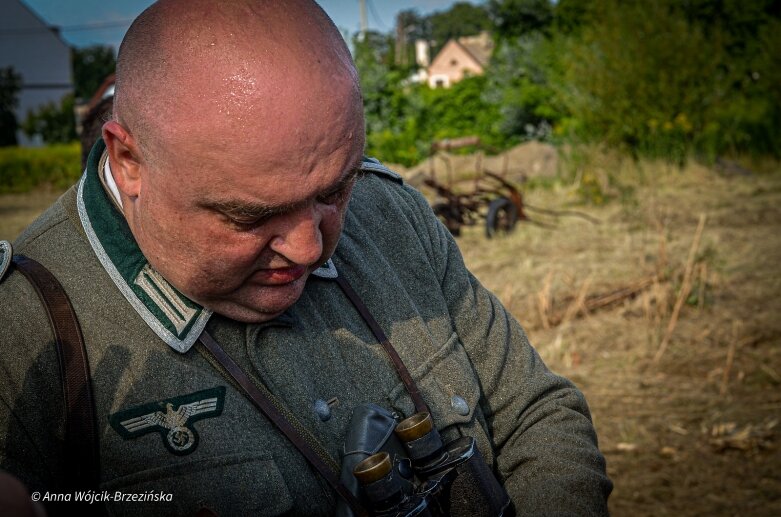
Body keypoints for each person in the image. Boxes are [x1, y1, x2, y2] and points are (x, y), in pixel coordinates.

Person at [0, 1, 612, 515]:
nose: (311, 247)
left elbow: (535, 411)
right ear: (131, 163)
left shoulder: (391, 213)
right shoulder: (24, 331)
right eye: (250, 215)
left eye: (333, 191)